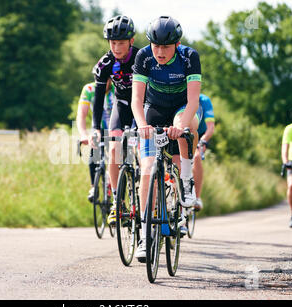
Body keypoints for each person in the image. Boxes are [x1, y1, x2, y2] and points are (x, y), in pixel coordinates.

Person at [131, 16, 202, 260]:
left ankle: (185, 179)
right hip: (154, 108)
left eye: (166, 47)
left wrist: (180, 125)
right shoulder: (144, 57)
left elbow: (194, 101)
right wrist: (142, 126)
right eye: (156, 46)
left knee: (185, 127)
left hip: (182, 107)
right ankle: (144, 235)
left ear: (177, 43)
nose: (160, 52)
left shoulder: (189, 57)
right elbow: (136, 100)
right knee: (148, 169)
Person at [90, 15, 139, 225]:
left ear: (131, 41)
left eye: (121, 43)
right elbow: (98, 98)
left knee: (139, 147)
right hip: (122, 105)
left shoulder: (142, 58)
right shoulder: (105, 64)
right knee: (113, 149)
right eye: (112, 43)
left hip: (143, 107)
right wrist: (95, 128)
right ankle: (117, 205)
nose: (116, 47)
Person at [76, 79, 114, 202]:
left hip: (116, 128)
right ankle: (94, 186)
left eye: (107, 79)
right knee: (94, 151)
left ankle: (113, 185)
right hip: (97, 129)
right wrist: (83, 134)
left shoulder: (117, 87)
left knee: (119, 156)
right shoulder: (89, 90)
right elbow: (81, 114)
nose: (104, 83)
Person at [192, 94, 215, 210]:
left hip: (200, 135)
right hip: (181, 131)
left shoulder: (204, 100)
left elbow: (210, 127)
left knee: (196, 157)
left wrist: (202, 141)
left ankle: (197, 197)